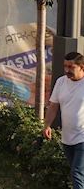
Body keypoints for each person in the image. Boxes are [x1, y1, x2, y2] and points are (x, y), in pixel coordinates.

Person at [44, 52, 84, 189]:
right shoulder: (61, 82)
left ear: (81, 68)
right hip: (67, 138)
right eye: (65, 66)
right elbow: (54, 105)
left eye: (71, 67)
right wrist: (47, 125)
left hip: (83, 137)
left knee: (77, 172)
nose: (67, 70)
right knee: (77, 173)